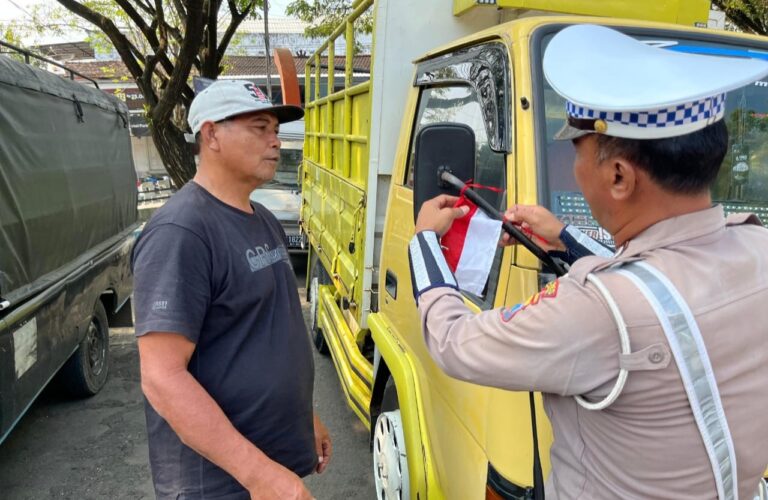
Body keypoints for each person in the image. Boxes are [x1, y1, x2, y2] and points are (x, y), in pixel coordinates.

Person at [409, 24, 768, 499]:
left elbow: (455, 342)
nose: (572, 169)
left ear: (619, 176)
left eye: (575, 153)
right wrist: (565, 239)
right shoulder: (757, 248)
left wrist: (424, 243)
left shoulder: (594, 310)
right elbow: (657, 289)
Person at [132, 79, 331, 500]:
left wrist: (305, 418)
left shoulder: (262, 218)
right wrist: (258, 476)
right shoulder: (181, 232)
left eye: (275, 130)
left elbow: (267, 330)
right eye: (260, 128)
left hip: (271, 463)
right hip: (221, 483)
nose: (275, 141)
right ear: (211, 135)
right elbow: (162, 377)